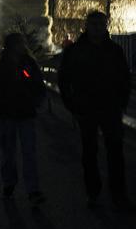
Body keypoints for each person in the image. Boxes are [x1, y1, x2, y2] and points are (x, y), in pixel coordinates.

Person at [57, 11, 133, 211]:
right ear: (87, 26)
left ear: (105, 26)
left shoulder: (112, 50)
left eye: (100, 24)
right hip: (88, 108)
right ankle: (95, 193)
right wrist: (72, 105)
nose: (98, 28)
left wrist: (121, 102)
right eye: (94, 24)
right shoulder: (78, 51)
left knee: (114, 153)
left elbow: (124, 78)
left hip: (109, 108)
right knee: (91, 153)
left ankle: (116, 194)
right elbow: (64, 80)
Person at [0, 33, 46, 205]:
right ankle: (14, 185)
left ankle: (28, 189)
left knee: (22, 153)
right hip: (13, 114)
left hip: (18, 114)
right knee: (15, 153)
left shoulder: (13, 64)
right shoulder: (10, 65)